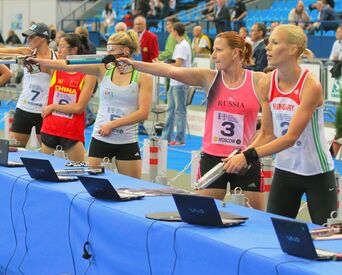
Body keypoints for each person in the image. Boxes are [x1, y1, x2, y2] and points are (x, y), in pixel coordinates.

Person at [120, 31, 266, 209]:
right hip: (213, 159)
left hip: (245, 160)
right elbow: (171, 71)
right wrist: (134, 64)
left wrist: (248, 153)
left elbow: (267, 127)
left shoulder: (258, 81)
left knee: (255, 221)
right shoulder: (209, 77)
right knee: (204, 216)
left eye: (219, 50)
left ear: (235, 53)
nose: (213, 55)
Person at [224, 25, 336, 224]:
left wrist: (248, 156)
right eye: (268, 42)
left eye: (275, 43)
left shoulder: (311, 86)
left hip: (316, 172)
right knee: (276, 232)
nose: (267, 47)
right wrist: (243, 154)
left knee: (327, 234)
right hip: (285, 171)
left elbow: (291, 138)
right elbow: (268, 133)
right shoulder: (266, 82)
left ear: (293, 49)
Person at [30, 31, 153, 178]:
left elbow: (144, 113)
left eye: (112, 50)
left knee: (132, 187)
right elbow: (68, 66)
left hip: (126, 140)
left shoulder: (143, 76)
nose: (108, 53)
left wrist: (113, 125)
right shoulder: (103, 68)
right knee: (92, 184)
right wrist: (39, 62)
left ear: (125, 51)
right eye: (107, 49)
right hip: (100, 139)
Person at [29, 33, 97, 161]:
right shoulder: (54, 67)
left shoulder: (88, 74)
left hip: (71, 131)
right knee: (45, 173)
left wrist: (53, 107)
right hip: (51, 128)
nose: (57, 50)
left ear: (74, 50)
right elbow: (30, 63)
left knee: (77, 173)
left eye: (62, 46)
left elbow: (79, 108)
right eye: (57, 46)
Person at [160, 23, 192, 146]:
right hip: (174, 82)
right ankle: (165, 137)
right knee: (170, 110)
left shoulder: (183, 45)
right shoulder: (179, 45)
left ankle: (180, 138)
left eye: (171, 31)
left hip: (180, 82)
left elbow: (178, 64)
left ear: (175, 32)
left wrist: (164, 65)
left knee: (179, 111)